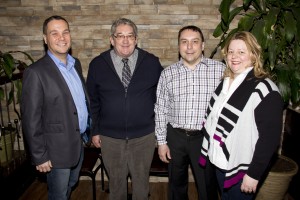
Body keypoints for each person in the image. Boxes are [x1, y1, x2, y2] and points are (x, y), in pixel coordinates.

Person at [199, 31, 284, 199]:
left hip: (242, 169)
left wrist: (254, 174)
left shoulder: (265, 90)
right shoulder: (225, 83)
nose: (234, 56)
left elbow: (270, 139)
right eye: (231, 52)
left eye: (241, 52)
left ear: (253, 55)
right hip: (221, 163)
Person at [86, 18, 163, 200]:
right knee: (116, 186)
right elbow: (93, 102)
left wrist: (160, 133)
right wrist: (95, 131)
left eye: (130, 36)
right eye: (120, 36)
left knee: (141, 186)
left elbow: (162, 99)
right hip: (110, 138)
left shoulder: (152, 63)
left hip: (144, 136)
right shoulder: (97, 64)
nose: (125, 41)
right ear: (112, 39)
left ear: (136, 39)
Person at [21, 15, 90, 200]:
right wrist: (39, 156)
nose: (62, 37)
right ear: (45, 39)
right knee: (58, 194)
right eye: (55, 33)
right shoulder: (35, 72)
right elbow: (30, 119)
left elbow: (78, 102)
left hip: (77, 143)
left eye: (65, 32)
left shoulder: (76, 64)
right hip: (55, 151)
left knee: (70, 185)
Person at [154, 25, 225, 200]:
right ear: (179, 46)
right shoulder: (167, 74)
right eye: (184, 42)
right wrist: (161, 142)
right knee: (176, 185)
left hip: (205, 138)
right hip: (175, 137)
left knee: (207, 184)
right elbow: (161, 109)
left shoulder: (220, 71)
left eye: (195, 42)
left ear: (202, 45)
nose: (189, 47)